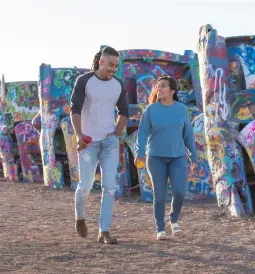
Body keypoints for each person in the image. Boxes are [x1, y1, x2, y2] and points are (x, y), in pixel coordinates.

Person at [70, 46, 129, 244]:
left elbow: (124, 112)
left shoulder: (118, 85)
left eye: (116, 66)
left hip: (109, 142)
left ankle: (104, 231)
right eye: (110, 64)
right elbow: (75, 110)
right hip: (88, 143)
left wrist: (117, 133)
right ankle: (80, 217)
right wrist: (79, 135)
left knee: (109, 186)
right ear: (100, 61)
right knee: (85, 186)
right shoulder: (84, 81)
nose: (113, 69)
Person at [135, 75, 197, 240]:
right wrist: (139, 152)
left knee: (179, 192)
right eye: (157, 86)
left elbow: (188, 134)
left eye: (163, 86)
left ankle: (174, 219)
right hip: (155, 158)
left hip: (178, 158)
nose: (159, 89)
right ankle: (160, 228)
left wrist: (194, 155)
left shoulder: (182, 109)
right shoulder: (151, 109)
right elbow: (142, 133)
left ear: (172, 91)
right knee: (160, 195)